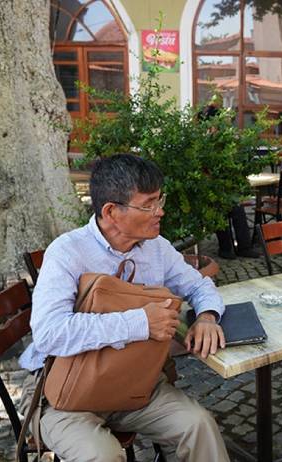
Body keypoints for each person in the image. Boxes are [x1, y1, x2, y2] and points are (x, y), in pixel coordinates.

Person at [18, 154, 230, 461]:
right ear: (111, 211)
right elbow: (49, 333)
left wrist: (208, 316)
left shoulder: (156, 247)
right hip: (63, 391)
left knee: (199, 425)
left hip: (133, 380)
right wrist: (140, 322)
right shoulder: (67, 252)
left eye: (160, 200)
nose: (161, 211)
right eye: (148, 205)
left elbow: (198, 285)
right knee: (102, 455)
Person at [199, 93, 259, 259]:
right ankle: (226, 249)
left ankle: (244, 247)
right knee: (221, 212)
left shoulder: (224, 140)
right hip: (211, 188)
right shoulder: (203, 142)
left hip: (227, 186)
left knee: (238, 210)